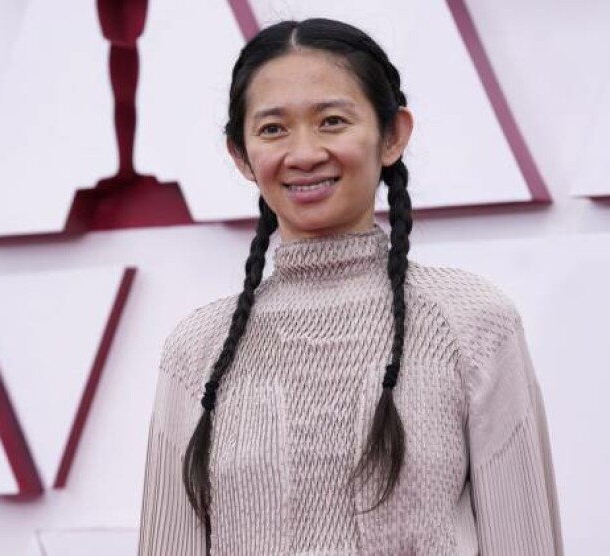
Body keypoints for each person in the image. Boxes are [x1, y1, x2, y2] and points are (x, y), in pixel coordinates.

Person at [138, 18, 562, 555]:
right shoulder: (198, 349)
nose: (304, 153)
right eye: (273, 129)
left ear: (393, 135)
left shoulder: (472, 324)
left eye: (332, 121)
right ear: (241, 155)